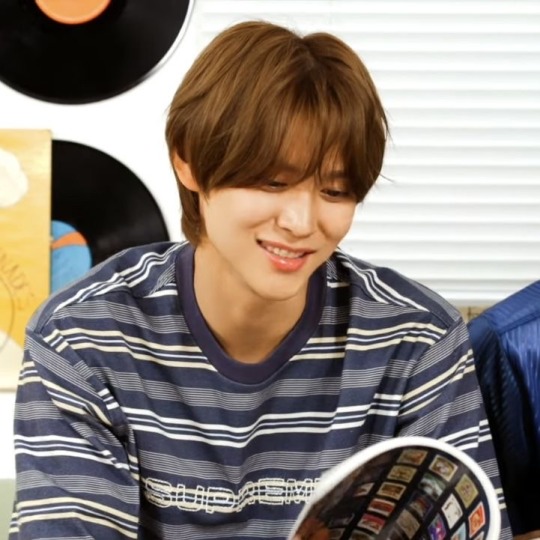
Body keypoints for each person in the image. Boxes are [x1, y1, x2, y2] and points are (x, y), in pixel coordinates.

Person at [9, 20, 512, 540]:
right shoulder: (82, 335)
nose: (301, 222)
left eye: (335, 191)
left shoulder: (417, 339)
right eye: (273, 182)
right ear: (188, 160)